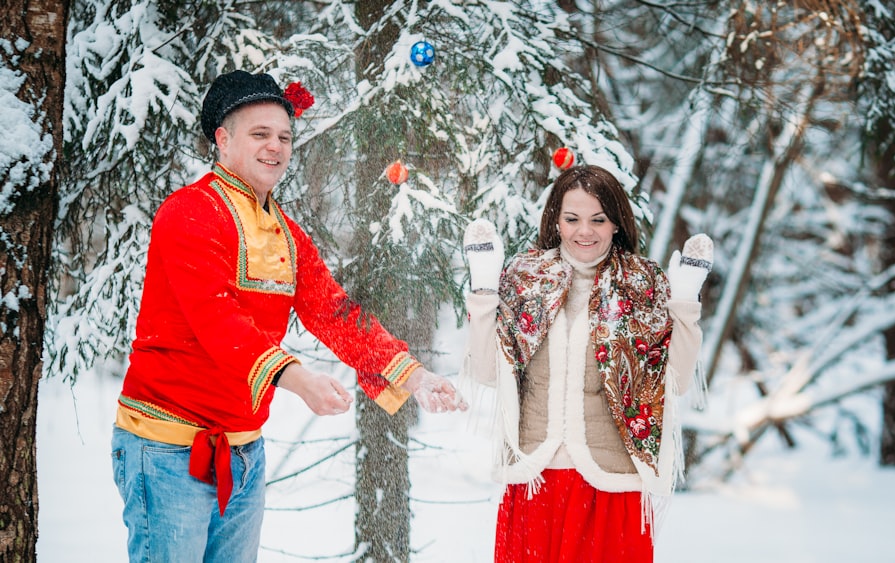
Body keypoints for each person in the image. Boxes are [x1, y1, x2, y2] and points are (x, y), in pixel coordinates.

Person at [111, 70, 466, 562]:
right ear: (223, 139)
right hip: (167, 451)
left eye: (284, 137)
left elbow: (336, 312)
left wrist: (411, 373)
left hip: (243, 452)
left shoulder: (287, 233)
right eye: (260, 134)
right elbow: (218, 320)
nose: (275, 147)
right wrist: (297, 378)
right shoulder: (188, 212)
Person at [461, 164, 712, 563]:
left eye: (599, 219)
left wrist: (683, 304)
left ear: (616, 224)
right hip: (536, 483)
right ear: (556, 222)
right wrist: (485, 291)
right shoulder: (525, 279)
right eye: (572, 218)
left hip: (612, 488)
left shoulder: (642, 284)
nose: (585, 231)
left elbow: (675, 382)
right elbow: (487, 372)